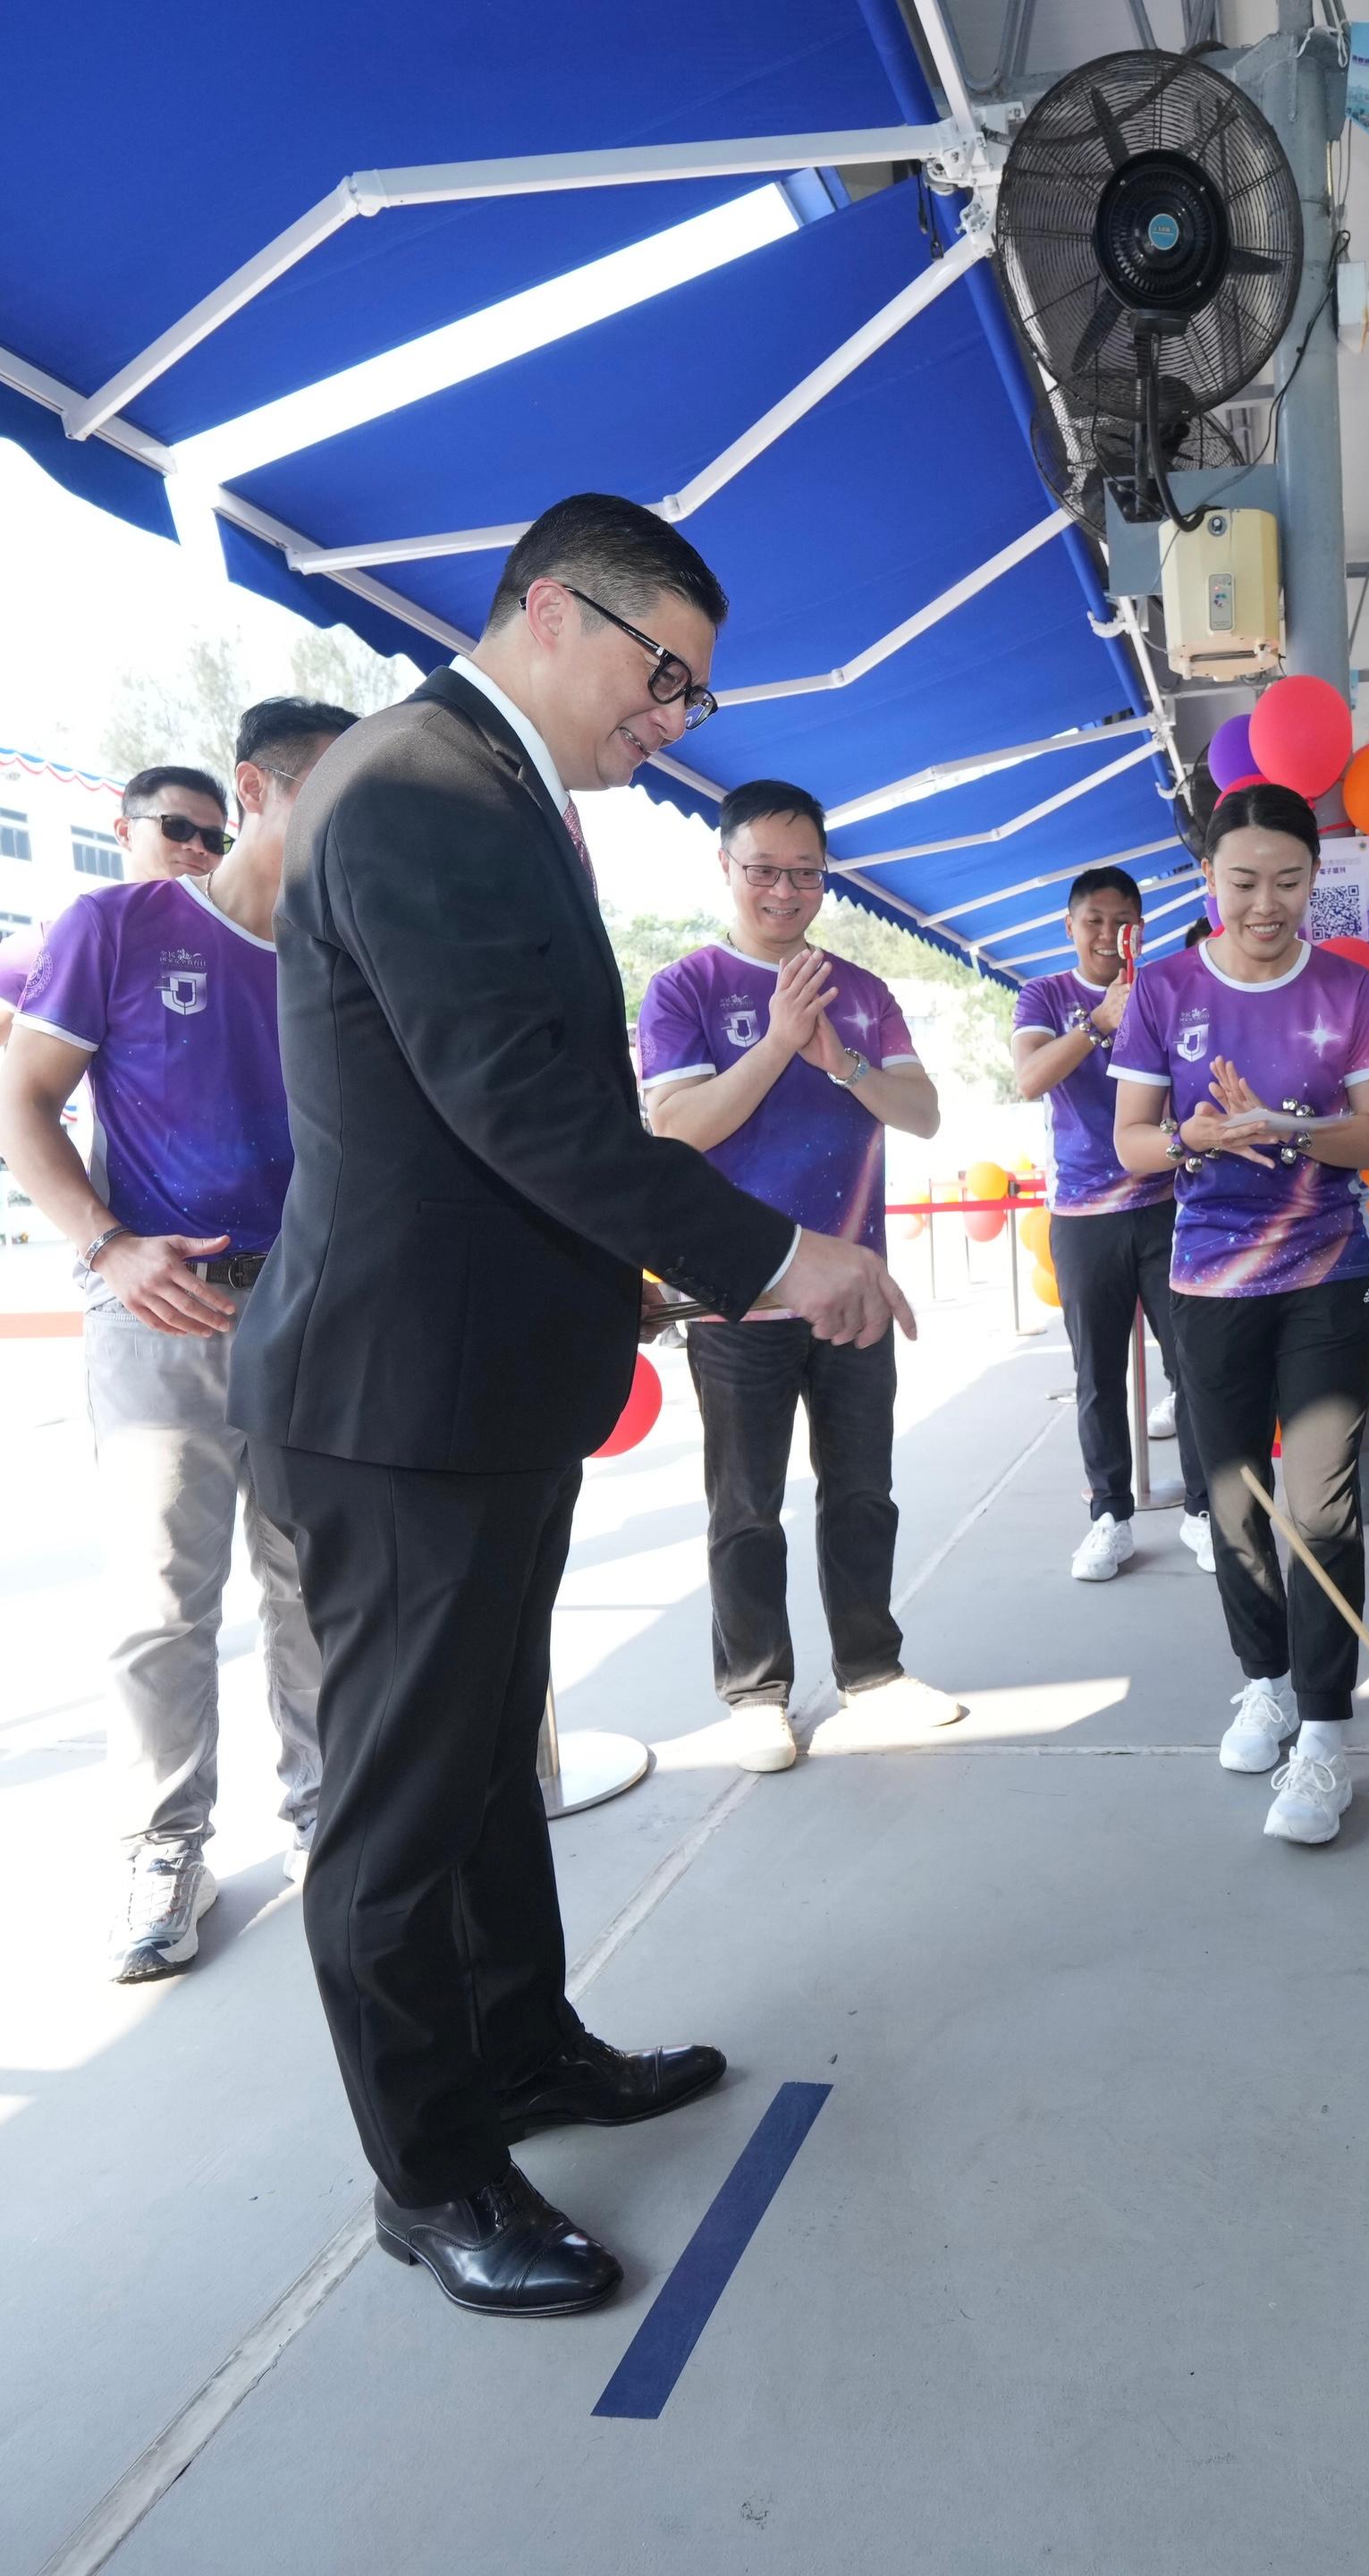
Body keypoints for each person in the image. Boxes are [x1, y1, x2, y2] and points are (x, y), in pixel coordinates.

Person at [231, 495, 913, 2319]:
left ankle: (523, 2049)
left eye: (694, 691)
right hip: (394, 1399)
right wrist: (782, 1259)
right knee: (396, 1809)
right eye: (662, 673)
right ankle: (431, 2172)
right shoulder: (423, 790)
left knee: (484, 1765)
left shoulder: (495, 794)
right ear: (548, 610)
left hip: (483, 1385)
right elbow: (532, 1112)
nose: (675, 721)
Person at [0, 699, 353, 1978]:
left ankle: (328, 1818)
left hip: (310, 1308)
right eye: (332, 788)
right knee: (163, 1597)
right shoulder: (118, 924)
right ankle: (166, 1848)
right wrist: (107, 1247)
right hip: (161, 1305)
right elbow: (22, 1103)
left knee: (314, 1579)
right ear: (256, 790)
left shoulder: (336, 946)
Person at [639, 780, 961, 1769]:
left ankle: (872, 1672)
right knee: (744, 1504)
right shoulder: (684, 989)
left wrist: (839, 1061)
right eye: (764, 871)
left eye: (806, 874)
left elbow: (921, 1113)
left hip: (856, 1291)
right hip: (735, 1296)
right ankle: (755, 1691)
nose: (785, 892)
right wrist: (777, 1043)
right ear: (726, 868)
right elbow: (675, 1133)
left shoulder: (859, 991)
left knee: (863, 1489)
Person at [1111, 783, 1369, 1848]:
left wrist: (1287, 1124)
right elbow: (1131, 1142)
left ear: (1313, 882)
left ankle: (1324, 1738)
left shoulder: (1346, 991)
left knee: (1320, 1507)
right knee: (1235, 1499)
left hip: (1329, 1275)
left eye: (1288, 881)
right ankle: (1266, 1682)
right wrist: (1198, 1136)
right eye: (1242, 882)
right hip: (1208, 1281)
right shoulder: (1163, 990)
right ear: (1208, 879)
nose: (1265, 903)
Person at [1010, 866, 1212, 1581]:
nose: (1107, 934)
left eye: (1122, 921)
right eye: (1093, 920)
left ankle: (1202, 1510)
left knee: (1192, 1364)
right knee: (1096, 1375)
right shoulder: (1045, 995)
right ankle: (1109, 1517)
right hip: (1082, 1216)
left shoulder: (1164, 991)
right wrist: (1097, 1025)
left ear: (1141, 929)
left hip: (1165, 1203)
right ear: (1069, 927)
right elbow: (1029, 1077)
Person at [113, 765, 232, 883]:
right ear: (125, 832)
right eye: (178, 827)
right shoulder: (97, 902)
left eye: (213, 840)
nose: (198, 847)